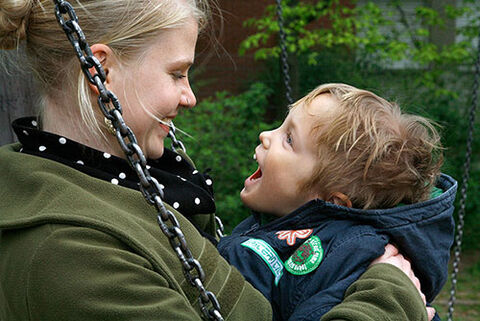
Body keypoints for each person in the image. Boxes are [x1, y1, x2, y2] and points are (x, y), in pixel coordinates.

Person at [0, 0, 435, 320]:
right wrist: (391, 297)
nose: (190, 96)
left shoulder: (133, 189)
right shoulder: (69, 251)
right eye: (176, 72)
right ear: (100, 72)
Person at [217, 83, 456, 320]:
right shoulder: (283, 227)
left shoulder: (350, 258)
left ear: (333, 201)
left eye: (289, 139)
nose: (266, 135)